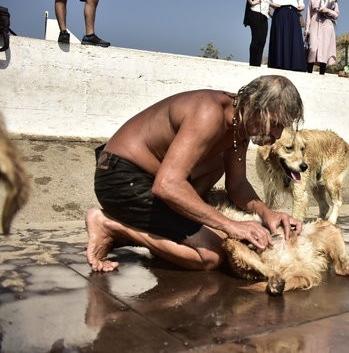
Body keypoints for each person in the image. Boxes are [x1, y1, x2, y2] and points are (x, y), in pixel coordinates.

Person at [85, 75, 304, 272]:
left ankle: (164, 230)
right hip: (120, 177)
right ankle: (109, 225)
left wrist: (267, 213)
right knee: (210, 255)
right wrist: (230, 225)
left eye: (281, 127)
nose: (276, 134)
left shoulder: (239, 125)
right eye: (274, 124)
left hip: (151, 178)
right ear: (256, 106)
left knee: (217, 164)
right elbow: (167, 185)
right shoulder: (209, 113)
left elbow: (237, 184)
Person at [268, 0, 306, 72]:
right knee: (280, 39)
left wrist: (302, 6)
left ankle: (295, 66)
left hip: (293, 15)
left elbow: (300, 0)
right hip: (281, 13)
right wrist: (271, 5)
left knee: (294, 40)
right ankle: (279, 65)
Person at [242, 0, 277, 67]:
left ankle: (257, 65)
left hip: (264, 15)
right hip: (255, 13)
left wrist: (271, 7)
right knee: (256, 39)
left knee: (262, 41)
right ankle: (253, 64)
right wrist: (251, 1)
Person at [305, 0, 339, 75]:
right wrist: (307, 29)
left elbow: (336, 14)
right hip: (314, 24)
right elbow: (308, 15)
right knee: (312, 48)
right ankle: (309, 72)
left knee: (324, 50)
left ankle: (322, 74)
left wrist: (327, 10)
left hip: (327, 26)